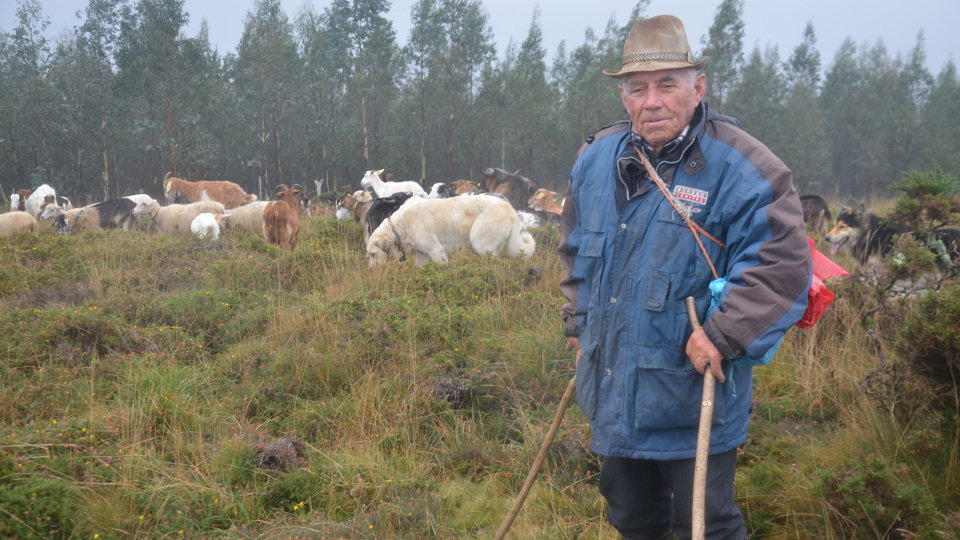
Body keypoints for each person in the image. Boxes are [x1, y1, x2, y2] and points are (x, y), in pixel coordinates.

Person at [558, 14, 811, 540]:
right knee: (631, 516)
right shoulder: (596, 160)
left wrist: (724, 334)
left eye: (667, 85)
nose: (651, 101)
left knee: (703, 524)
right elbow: (578, 250)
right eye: (637, 88)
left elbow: (781, 262)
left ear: (698, 88)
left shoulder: (743, 166)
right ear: (624, 96)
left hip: (692, 390)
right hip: (612, 380)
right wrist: (580, 324)